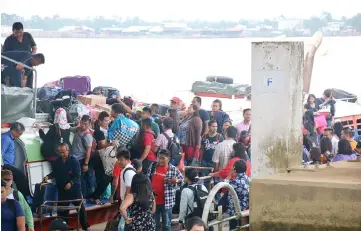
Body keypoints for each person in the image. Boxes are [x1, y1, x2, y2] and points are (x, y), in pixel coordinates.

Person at [44, 143, 89, 230]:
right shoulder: (57, 161)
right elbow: (54, 173)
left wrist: (71, 183)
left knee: (80, 208)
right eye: (60, 152)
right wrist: (48, 177)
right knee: (62, 210)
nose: (61, 155)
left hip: (74, 189)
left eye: (63, 152)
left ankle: (85, 226)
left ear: (68, 151)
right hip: (62, 189)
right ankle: (64, 227)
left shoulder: (74, 160)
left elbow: (78, 174)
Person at [148, 149, 184, 231]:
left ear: (169, 158)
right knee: (154, 225)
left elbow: (182, 181)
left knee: (167, 226)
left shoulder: (173, 169)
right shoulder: (153, 166)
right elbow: (147, 179)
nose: (160, 160)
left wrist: (176, 181)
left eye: (163, 158)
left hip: (166, 203)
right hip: (153, 202)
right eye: (159, 158)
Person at [3, 22, 37, 88]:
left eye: (20, 32)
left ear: (23, 30)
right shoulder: (8, 40)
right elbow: (5, 56)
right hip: (16, 68)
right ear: (13, 31)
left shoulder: (28, 36)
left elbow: (34, 47)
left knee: (29, 86)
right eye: (16, 33)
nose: (18, 34)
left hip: (28, 66)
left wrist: (32, 56)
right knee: (17, 87)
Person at [1, 122, 31, 198]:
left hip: (8, 165)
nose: (20, 135)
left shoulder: (11, 139)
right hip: (5, 165)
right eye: (19, 133)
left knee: (18, 179)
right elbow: (1, 152)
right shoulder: (6, 139)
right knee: (21, 177)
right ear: (14, 131)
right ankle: (24, 197)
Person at [71, 115, 95, 198]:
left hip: (81, 160)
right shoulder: (78, 129)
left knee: (80, 179)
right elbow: (69, 129)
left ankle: (82, 197)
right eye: (82, 123)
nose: (83, 126)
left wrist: (86, 164)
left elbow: (88, 151)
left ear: (89, 124)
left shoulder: (88, 136)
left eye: (85, 124)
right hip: (74, 158)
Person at [225, 160, 250, 230]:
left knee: (234, 228)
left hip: (236, 210)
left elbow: (223, 185)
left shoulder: (236, 182)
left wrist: (229, 175)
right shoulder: (248, 179)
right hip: (245, 207)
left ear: (234, 169)